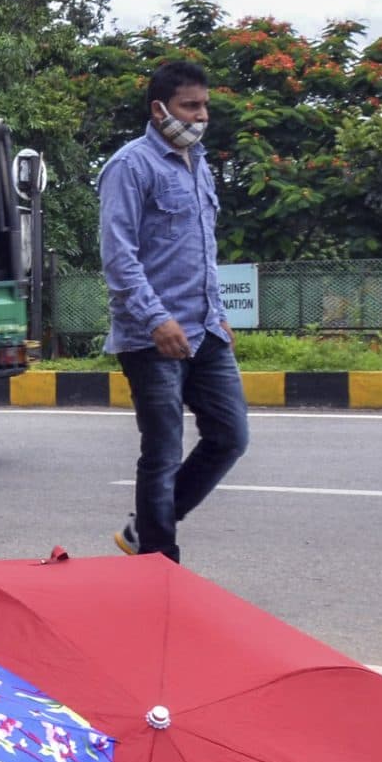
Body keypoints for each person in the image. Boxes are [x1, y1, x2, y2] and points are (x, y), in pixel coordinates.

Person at [101, 59, 248, 562]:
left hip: (206, 330)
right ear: (160, 108)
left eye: (205, 105)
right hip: (151, 335)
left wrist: (219, 310)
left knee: (230, 437)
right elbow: (119, 256)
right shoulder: (130, 165)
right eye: (191, 106)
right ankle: (158, 561)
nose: (201, 115)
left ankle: (147, 527)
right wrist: (155, 319)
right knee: (162, 452)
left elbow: (202, 249)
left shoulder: (199, 163)